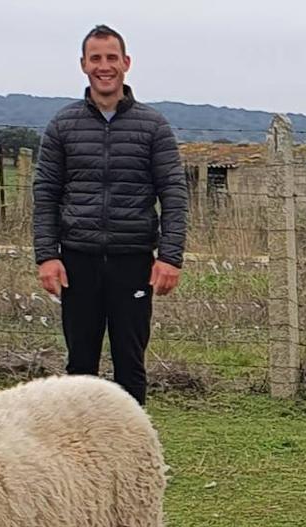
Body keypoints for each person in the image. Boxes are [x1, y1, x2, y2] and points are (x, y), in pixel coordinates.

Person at [32, 24, 188, 405]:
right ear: (84, 65)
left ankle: (132, 452)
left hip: (132, 261)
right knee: (80, 366)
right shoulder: (63, 125)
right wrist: (47, 256)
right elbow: (46, 193)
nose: (105, 66)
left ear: (126, 63)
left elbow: (174, 193)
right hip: (77, 261)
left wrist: (170, 257)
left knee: (130, 364)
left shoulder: (152, 126)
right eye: (96, 58)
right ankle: (81, 455)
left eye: (112, 58)